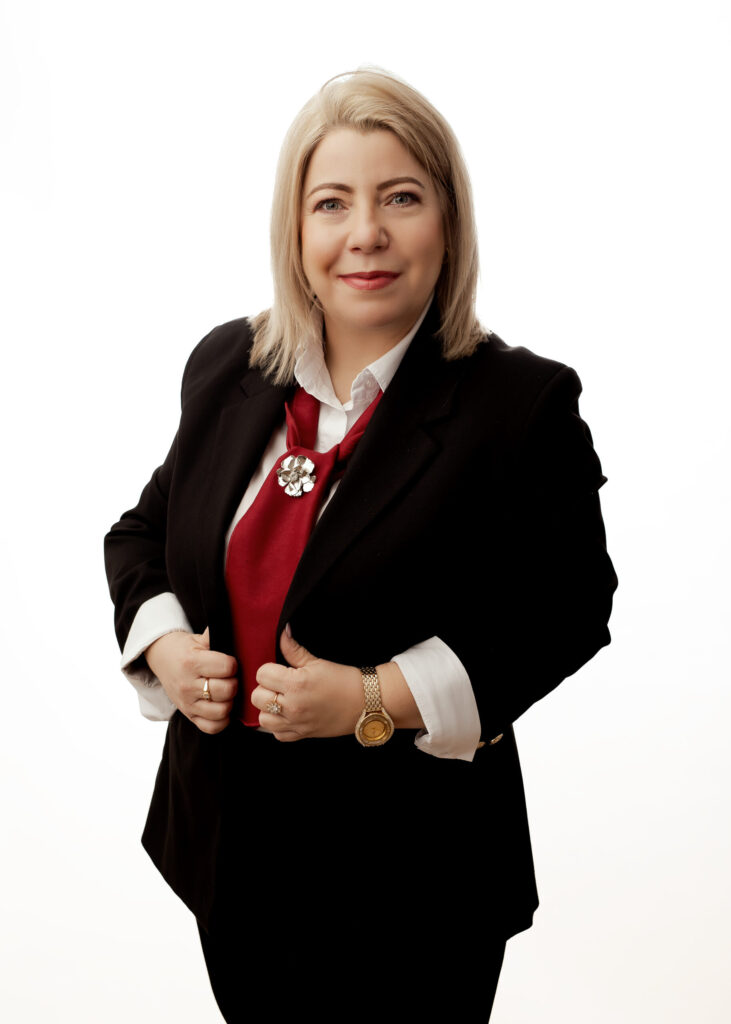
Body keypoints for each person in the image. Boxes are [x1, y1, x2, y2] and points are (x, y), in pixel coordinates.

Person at [104, 68, 617, 1021]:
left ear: (448, 223)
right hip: (226, 859)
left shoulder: (520, 406)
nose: (365, 233)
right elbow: (142, 533)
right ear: (295, 231)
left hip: (414, 885)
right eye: (332, 202)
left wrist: (370, 699)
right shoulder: (229, 364)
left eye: (401, 198)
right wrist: (167, 648)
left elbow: (567, 608)